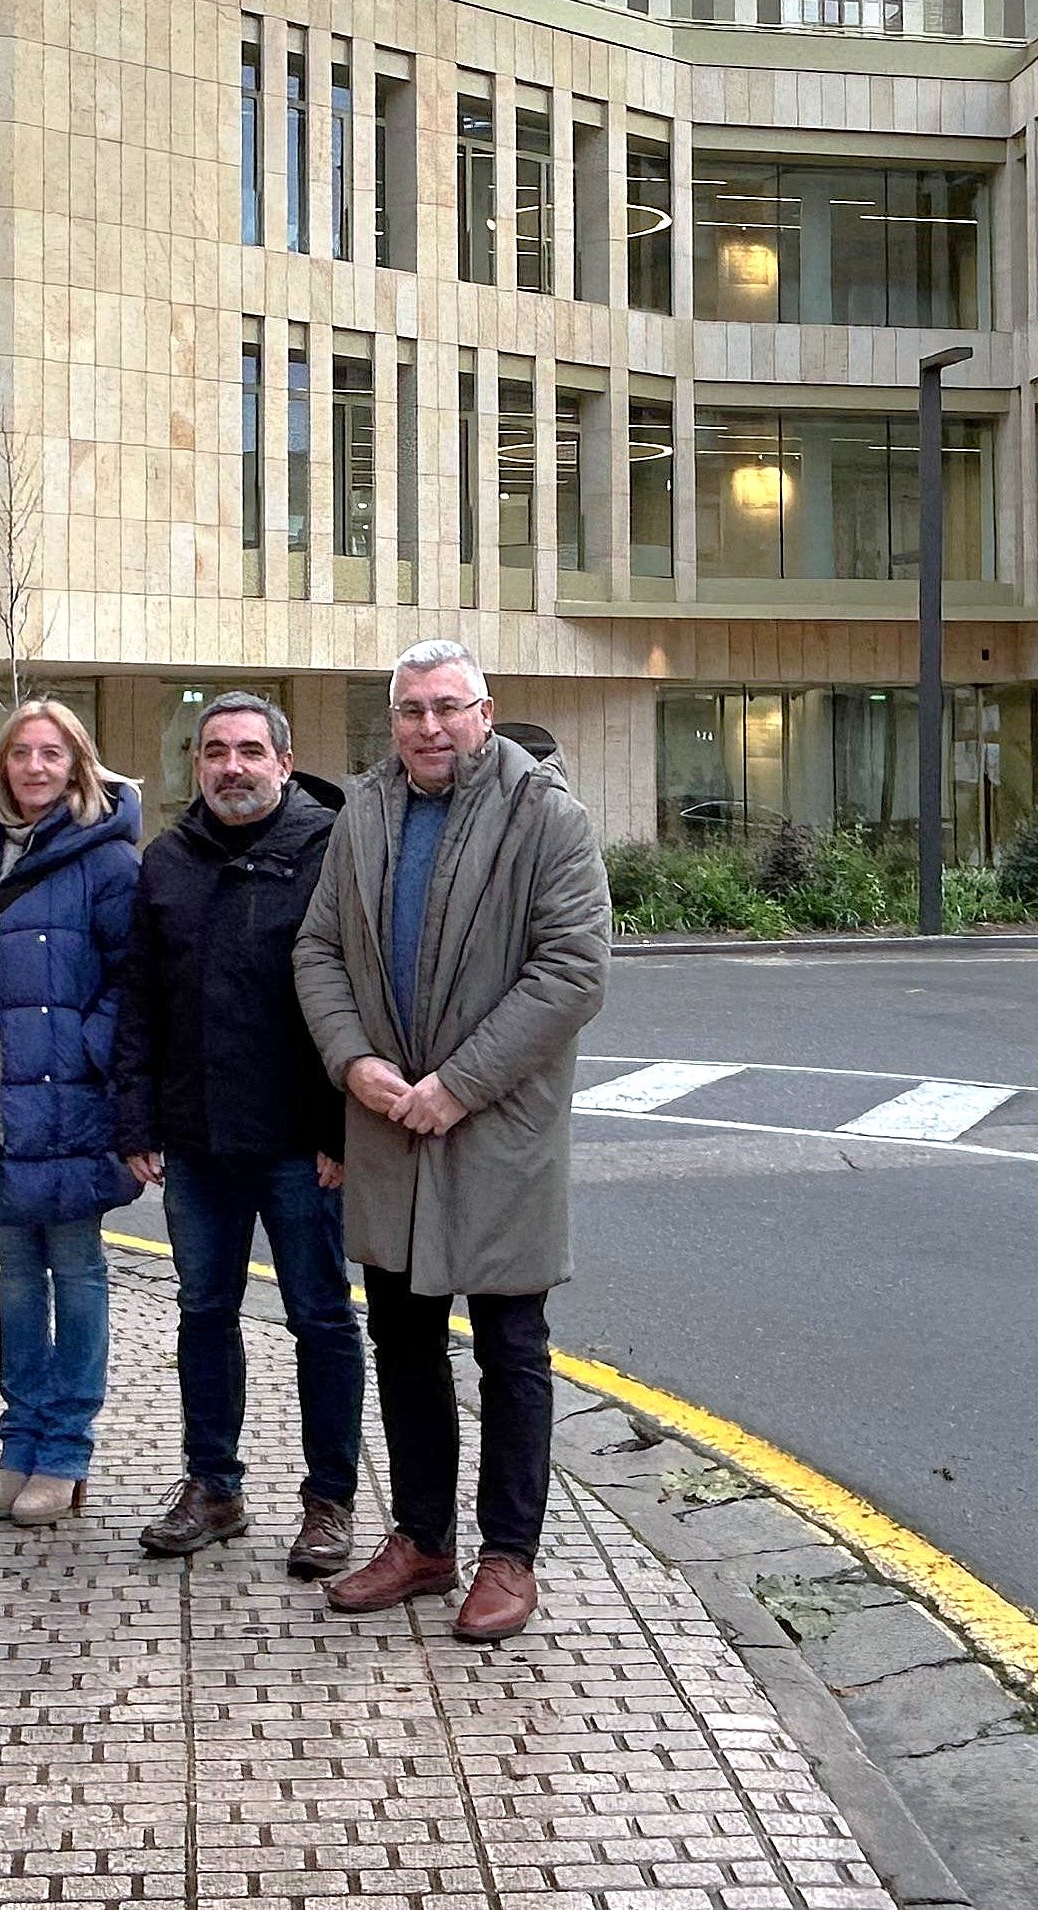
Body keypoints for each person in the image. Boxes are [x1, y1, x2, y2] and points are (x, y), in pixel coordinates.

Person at [291, 639, 610, 1642]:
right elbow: (318, 946)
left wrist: (458, 1084)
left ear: (485, 709)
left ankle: (508, 1557)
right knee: (403, 1337)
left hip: (497, 1125)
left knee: (511, 1348)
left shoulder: (546, 814)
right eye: (409, 710)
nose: (429, 726)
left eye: (447, 706)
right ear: (391, 721)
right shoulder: (367, 810)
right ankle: (424, 1541)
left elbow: (571, 972)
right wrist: (353, 1063)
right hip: (390, 1122)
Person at [116, 691, 362, 1578]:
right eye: (215, 752)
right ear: (198, 766)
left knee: (322, 1320)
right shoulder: (169, 861)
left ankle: (329, 1501)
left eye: (251, 751)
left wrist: (344, 1128)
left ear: (284, 763)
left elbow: (357, 999)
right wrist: (137, 1119)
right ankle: (212, 1486)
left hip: (304, 1142)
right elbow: (139, 1000)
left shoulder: (332, 853)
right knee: (203, 1313)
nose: (231, 767)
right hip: (199, 1140)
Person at [0, 698, 141, 1527]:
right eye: (21, 754)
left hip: (69, 1106)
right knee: (15, 1279)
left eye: (52, 754)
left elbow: (132, 980)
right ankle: (18, 1442)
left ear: (77, 763)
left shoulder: (110, 861)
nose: (35, 768)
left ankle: (66, 1451)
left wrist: (85, 1047)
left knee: (76, 1273)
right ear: (0, 763)